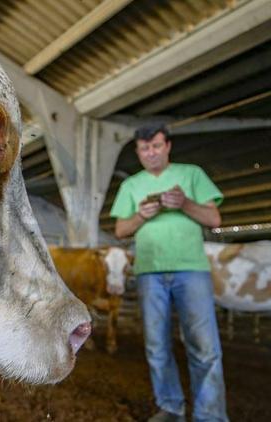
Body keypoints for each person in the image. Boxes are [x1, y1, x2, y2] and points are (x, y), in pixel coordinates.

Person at [111, 124, 228, 422]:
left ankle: (210, 415)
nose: (151, 153)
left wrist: (184, 203)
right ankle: (171, 406)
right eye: (144, 148)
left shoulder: (192, 174)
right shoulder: (131, 186)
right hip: (149, 272)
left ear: (168, 147)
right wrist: (141, 215)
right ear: (138, 152)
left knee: (204, 345)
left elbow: (214, 218)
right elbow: (121, 230)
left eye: (156, 146)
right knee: (156, 344)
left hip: (192, 270)